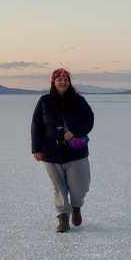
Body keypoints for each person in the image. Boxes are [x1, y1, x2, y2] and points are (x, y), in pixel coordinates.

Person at [31, 68, 94, 233]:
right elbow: (36, 125)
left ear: (69, 82)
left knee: (79, 186)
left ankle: (76, 206)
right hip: (50, 153)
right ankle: (63, 217)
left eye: (65, 79)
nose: (62, 82)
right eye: (59, 79)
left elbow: (89, 121)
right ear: (53, 82)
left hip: (75, 153)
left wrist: (75, 131)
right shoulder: (44, 101)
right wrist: (37, 148)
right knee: (58, 187)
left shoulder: (79, 101)